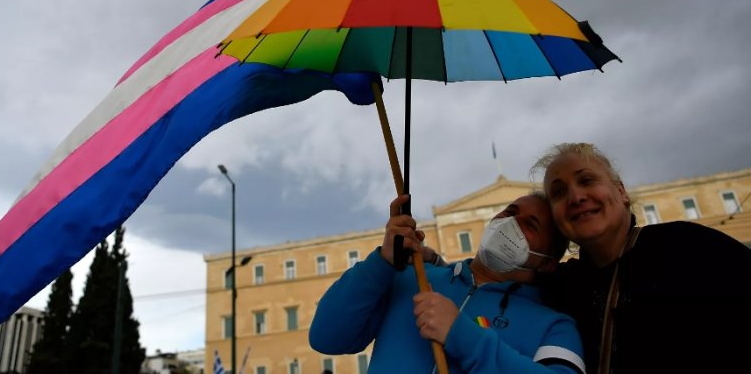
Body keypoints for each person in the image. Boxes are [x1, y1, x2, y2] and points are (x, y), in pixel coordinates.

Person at [532, 142, 751, 374]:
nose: (575, 197)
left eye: (586, 181)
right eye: (558, 192)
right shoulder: (558, 289)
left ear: (621, 192)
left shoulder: (691, 246)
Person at [309, 193, 586, 374]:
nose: (510, 222)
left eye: (531, 225)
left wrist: (463, 336)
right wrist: (381, 263)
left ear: (549, 262)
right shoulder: (413, 277)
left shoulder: (555, 327)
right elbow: (326, 336)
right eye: (509, 211)